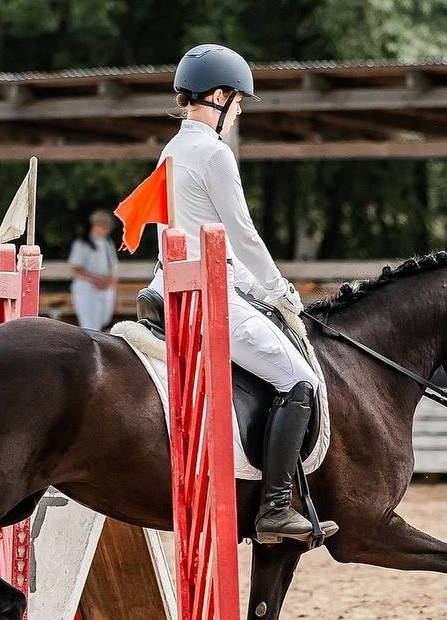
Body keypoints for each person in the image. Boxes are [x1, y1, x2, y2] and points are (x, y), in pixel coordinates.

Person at [148, 44, 337, 544]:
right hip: (207, 299)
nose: (239, 112)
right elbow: (245, 234)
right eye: (239, 102)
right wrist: (283, 293)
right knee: (299, 380)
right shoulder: (213, 153)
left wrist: (263, 293)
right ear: (217, 96)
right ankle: (275, 508)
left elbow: (220, 246)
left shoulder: (173, 149)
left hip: (180, 283)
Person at [68, 210, 119, 330]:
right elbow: (74, 268)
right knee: (89, 324)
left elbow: (113, 266)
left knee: (103, 321)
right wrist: (94, 279)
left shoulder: (108, 243)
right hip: (87, 288)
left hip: (106, 288)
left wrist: (110, 281)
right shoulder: (82, 244)